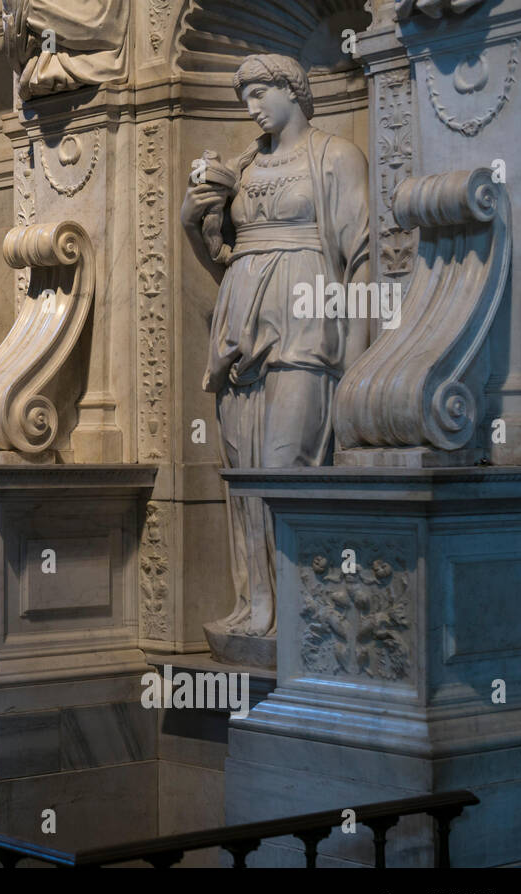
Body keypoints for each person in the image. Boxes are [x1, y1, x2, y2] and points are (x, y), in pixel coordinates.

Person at [180, 54, 370, 644]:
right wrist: (195, 219)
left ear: (294, 88)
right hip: (240, 333)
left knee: (290, 467)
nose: (251, 106)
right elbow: (220, 252)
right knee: (244, 475)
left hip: (308, 327)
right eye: (244, 97)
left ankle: (305, 610)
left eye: (261, 92)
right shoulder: (240, 166)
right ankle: (255, 604)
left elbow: (361, 254)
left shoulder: (334, 155)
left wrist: (360, 356)